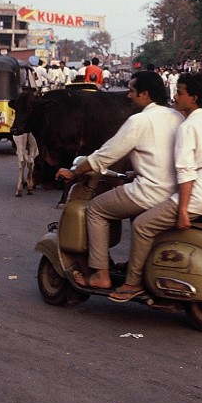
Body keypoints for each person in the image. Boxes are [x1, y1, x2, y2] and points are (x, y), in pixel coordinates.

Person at [109, 72, 202, 302]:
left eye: (180, 92)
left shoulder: (187, 127)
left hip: (198, 197)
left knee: (142, 225)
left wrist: (183, 210)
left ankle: (132, 283)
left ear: (193, 98)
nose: (174, 96)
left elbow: (186, 171)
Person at [54, 71, 183, 292]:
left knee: (96, 209)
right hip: (173, 193)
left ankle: (100, 275)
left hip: (149, 192)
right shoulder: (176, 116)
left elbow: (105, 156)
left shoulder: (139, 120)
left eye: (132, 91)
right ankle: (138, 265)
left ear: (144, 94)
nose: (128, 96)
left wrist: (74, 172)